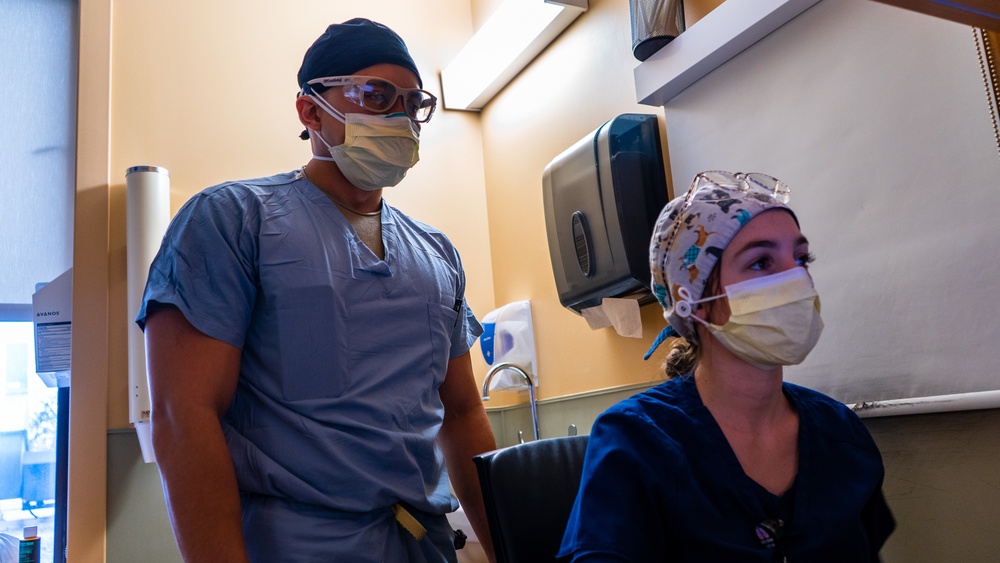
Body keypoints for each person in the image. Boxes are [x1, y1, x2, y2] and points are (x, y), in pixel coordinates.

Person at [137, 18, 497, 562]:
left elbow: (464, 413)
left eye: (412, 103)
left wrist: (508, 547)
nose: (399, 118)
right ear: (311, 111)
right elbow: (182, 414)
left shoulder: (436, 253)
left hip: (425, 545)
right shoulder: (234, 221)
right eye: (377, 96)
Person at [559, 171, 895, 561]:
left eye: (802, 258)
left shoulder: (841, 438)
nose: (797, 278)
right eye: (761, 262)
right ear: (695, 299)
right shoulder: (636, 443)